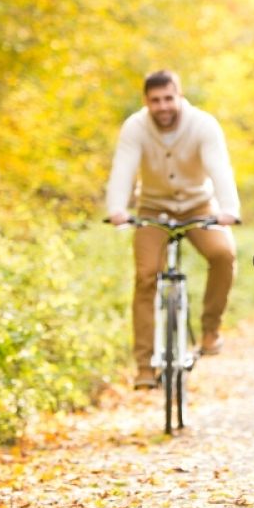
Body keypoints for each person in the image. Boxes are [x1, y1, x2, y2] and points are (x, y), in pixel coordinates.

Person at [105, 70, 240, 389]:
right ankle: (144, 366)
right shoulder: (135, 127)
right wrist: (117, 209)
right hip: (153, 209)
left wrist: (229, 209)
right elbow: (123, 168)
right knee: (146, 275)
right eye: (155, 100)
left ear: (179, 96)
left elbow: (219, 167)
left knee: (223, 254)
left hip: (198, 206)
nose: (163, 106)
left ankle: (210, 330)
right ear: (146, 102)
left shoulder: (203, 124)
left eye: (168, 98)